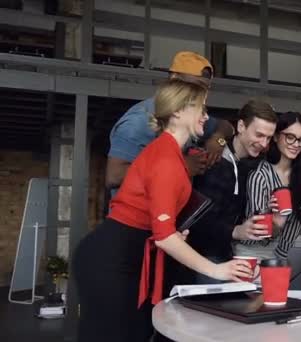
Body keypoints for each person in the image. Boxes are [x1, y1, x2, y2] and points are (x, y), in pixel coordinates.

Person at [72, 79, 253, 342]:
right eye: (200, 109)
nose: (206, 116)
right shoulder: (166, 158)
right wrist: (217, 271)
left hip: (128, 255)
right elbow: (163, 236)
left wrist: (174, 233)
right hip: (112, 259)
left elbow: (159, 225)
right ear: (178, 111)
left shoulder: (172, 154)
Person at [105, 51, 234, 197]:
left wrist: (218, 138)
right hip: (138, 218)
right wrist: (181, 165)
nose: (201, 94)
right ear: (173, 79)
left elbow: (226, 126)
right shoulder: (139, 120)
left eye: (205, 89)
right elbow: (114, 176)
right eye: (195, 86)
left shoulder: (191, 116)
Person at [186, 99, 278, 283]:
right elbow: (197, 220)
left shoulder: (255, 165)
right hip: (202, 260)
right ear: (241, 126)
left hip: (233, 257)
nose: (263, 143)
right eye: (259, 135)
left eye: (268, 137)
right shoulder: (213, 160)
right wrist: (236, 231)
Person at [236, 111, 301, 259]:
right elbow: (259, 231)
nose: (296, 144)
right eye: (290, 137)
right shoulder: (260, 175)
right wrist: (277, 219)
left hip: (286, 251)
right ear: (275, 136)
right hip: (254, 253)